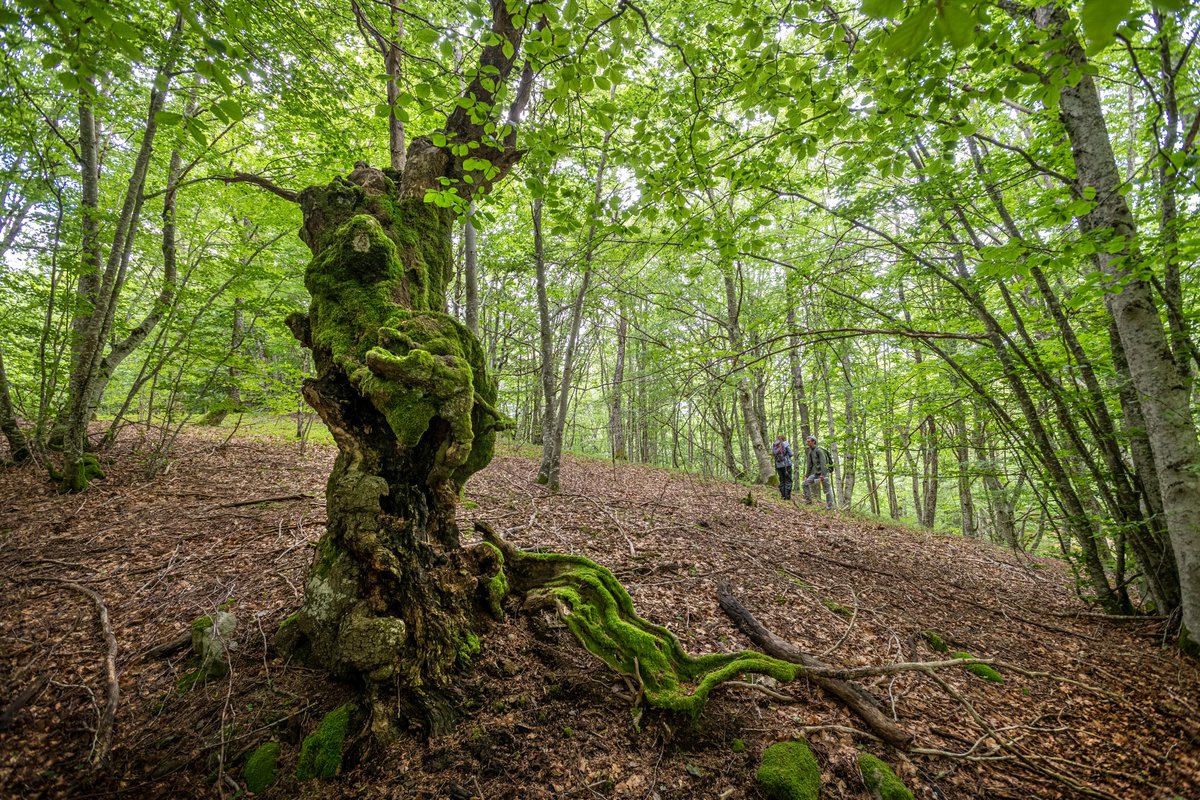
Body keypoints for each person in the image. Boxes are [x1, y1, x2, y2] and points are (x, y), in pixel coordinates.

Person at [802, 435, 834, 510]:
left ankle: (830, 506)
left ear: (813, 442)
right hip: (816, 474)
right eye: (807, 441)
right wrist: (807, 475)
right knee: (804, 483)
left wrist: (823, 475)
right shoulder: (810, 451)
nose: (807, 443)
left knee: (827, 490)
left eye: (809, 441)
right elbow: (809, 465)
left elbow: (824, 463)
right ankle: (808, 501)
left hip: (824, 474)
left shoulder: (819, 451)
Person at [772, 434, 793, 500]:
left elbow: (774, 454)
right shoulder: (786, 443)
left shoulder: (774, 445)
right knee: (788, 480)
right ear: (784, 438)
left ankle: (783, 496)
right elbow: (791, 454)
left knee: (782, 480)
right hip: (787, 465)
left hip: (778, 466)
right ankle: (787, 497)